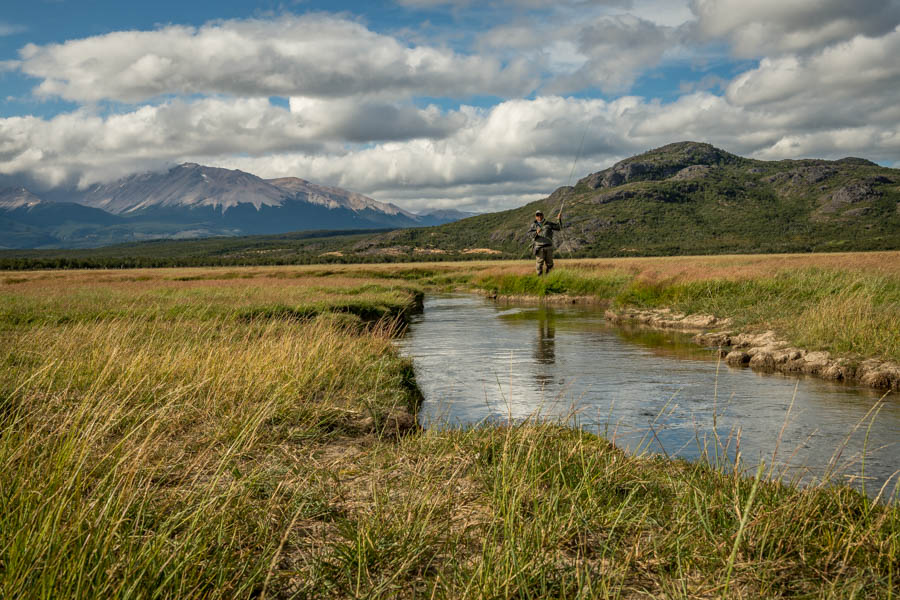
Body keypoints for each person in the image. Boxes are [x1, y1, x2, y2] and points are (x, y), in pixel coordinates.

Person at [529, 210, 562, 275]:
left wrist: (559, 219)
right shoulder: (533, 225)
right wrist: (536, 232)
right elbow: (529, 235)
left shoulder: (548, 223)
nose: (539, 216)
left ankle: (548, 277)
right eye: (537, 215)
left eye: (540, 215)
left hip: (548, 247)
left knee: (550, 264)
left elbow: (559, 228)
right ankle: (539, 277)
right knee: (539, 264)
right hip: (539, 248)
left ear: (543, 215)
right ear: (535, 217)